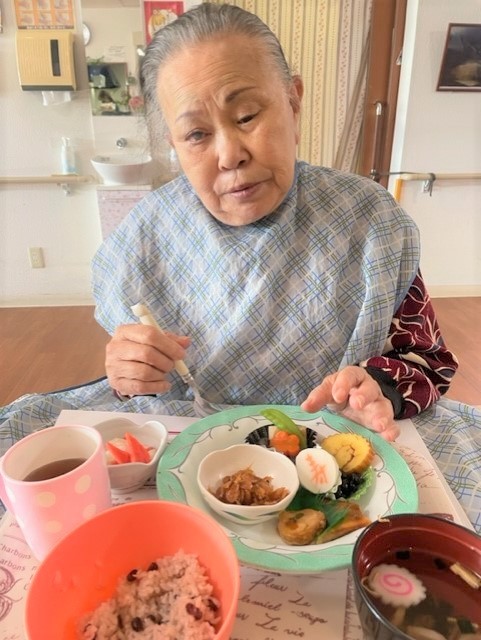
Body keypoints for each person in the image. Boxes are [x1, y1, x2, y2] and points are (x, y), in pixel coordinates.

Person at [1, 4, 480, 531]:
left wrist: (379, 387)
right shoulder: (145, 237)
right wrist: (128, 368)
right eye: (196, 134)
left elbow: (427, 360)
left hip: (337, 441)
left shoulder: (370, 221)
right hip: (190, 447)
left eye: (248, 116)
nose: (230, 154)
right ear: (174, 145)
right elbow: (136, 387)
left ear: (293, 102)